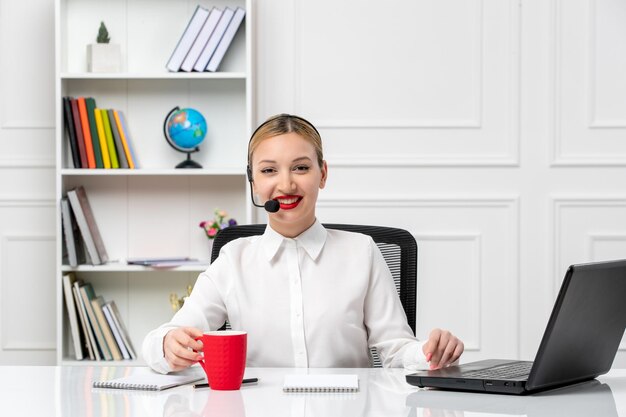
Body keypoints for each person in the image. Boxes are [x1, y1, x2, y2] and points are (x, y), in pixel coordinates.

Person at [142, 114, 464, 373]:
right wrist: (169, 344)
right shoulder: (233, 259)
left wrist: (428, 353)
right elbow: (163, 338)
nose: (286, 184)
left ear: (322, 174)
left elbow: (395, 351)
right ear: (254, 183)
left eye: (301, 167)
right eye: (269, 170)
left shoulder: (362, 252)